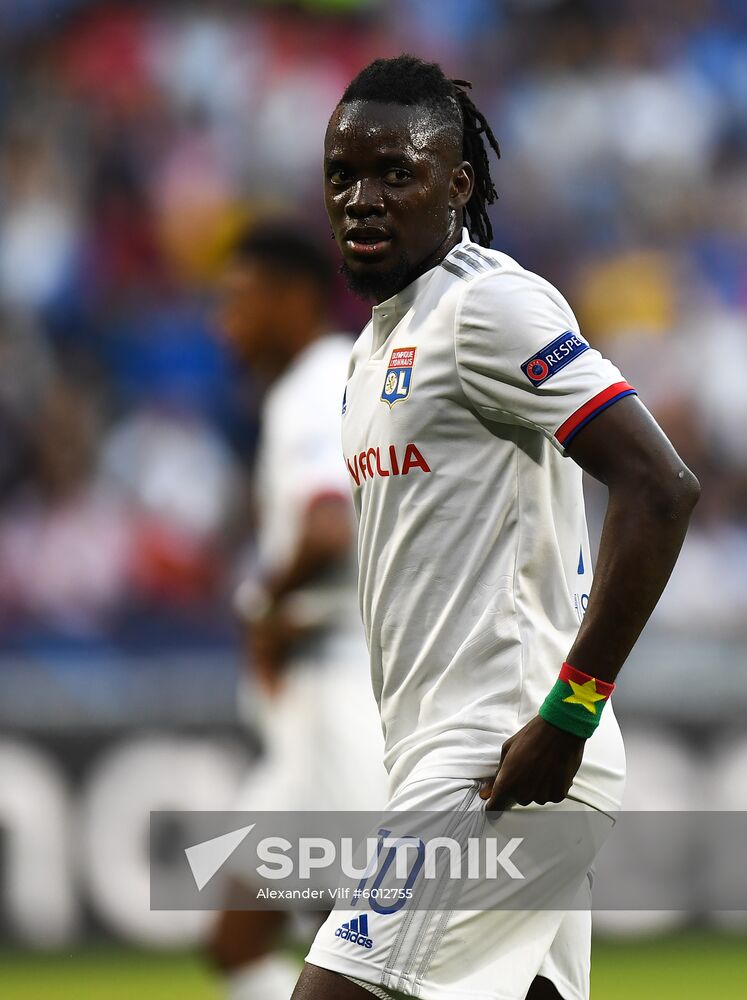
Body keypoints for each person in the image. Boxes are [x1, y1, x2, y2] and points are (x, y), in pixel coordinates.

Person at [292, 55, 700, 1000]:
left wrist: (570, 708)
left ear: (458, 186)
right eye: (342, 175)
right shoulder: (370, 350)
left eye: (396, 173)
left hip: (501, 752)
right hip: (459, 756)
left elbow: (659, 485)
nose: (361, 199)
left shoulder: (485, 304)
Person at [209, 222, 388, 1000]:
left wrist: (263, 604)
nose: (225, 323)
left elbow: (325, 527)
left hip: (336, 692)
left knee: (369, 947)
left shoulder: (312, 389)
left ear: (292, 298)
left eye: (239, 300)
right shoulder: (337, 376)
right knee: (239, 939)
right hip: (315, 704)